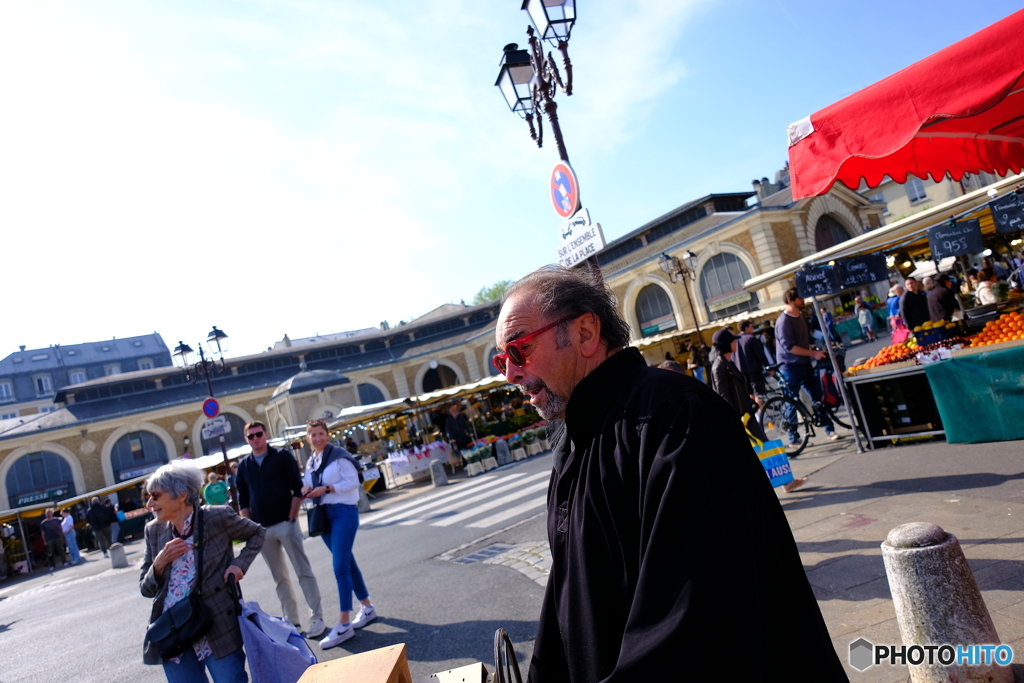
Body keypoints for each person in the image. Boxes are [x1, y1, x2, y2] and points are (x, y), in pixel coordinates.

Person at [492, 265, 846, 682]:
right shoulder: (575, 438)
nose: (511, 374)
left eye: (518, 351)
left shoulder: (675, 418)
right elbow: (571, 591)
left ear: (586, 333)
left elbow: (695, 621)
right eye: (501, 361)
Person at [140, 460, 265, 681]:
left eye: (156, 496)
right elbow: (146, 589)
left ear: (180, 495)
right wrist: (159, 563)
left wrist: (239, 564)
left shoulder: (216, 517)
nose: (150, 503)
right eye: (148, 497)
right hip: (173, 632)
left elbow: (257, 533)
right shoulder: (154, 530)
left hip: (215, 626)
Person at [236, 421, 327, 640]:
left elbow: (297, 488)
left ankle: (317, 616)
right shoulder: (244, 465)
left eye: (259, 434)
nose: (255, 438)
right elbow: (243, 499)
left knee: (302, 571)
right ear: (246, 439)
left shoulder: (282, 457)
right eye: (251, 436)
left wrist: (292, 517)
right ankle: (292, 622)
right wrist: (250, 528)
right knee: (280, 578)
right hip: (261, 529)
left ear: (266, 434)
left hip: (286, 523)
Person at [301, 419, 376, 650]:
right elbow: (306, 482)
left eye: (321, 433)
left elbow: (353, 482)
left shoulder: (339, 455)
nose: (317, 438)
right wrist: (305, 489)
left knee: (340, 567)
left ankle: (344, 623)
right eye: (313, 435)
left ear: (328, 434)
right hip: (324, 515)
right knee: (347, 563)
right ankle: (367, 607)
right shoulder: (312, 460)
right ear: (308, 438)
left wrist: (327, 489)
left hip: (344, 512)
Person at [776, 288, 841, 448]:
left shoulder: (799, 317)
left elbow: (800, 342)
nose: (803, 301)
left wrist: (812, 347)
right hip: (790, 366)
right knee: (792, 401)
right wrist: (813, 354)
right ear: (791, 301)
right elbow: (789, 347)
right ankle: (793, 439)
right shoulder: (784, 321)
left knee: (818, 396)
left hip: (804, 364)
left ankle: (828, 429)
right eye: (800, 299)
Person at [733, 319, 771, 407]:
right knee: (759, 393)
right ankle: (762, 414)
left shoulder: (736, 339)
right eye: (752, 327)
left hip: (741, 370)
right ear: (746, 328)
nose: (753, 329)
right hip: (754, 369)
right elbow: (760, 354)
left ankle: (756, 413)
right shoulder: (751, 338)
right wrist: (768, 367)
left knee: (750, 393)